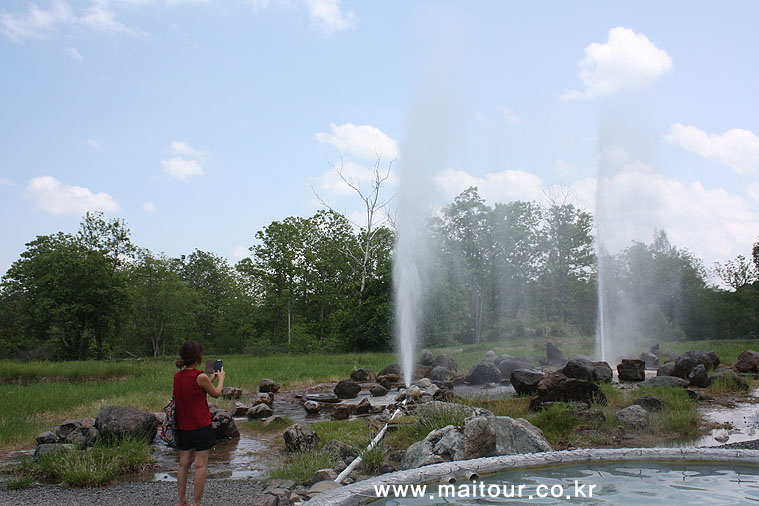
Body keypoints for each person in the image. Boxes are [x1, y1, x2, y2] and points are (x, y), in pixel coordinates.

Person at [173, 340, 225, 506]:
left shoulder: (178, 376)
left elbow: (193, 389)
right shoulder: (200, 376)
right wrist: (221, 379)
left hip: (183, 426)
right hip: (201, 425)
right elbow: (216, 394)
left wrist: (210, 379)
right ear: (199, 357)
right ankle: (197, 504)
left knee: (183, 464)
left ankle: (181, 501)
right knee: (200, 465)